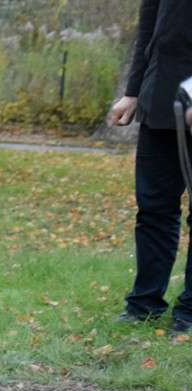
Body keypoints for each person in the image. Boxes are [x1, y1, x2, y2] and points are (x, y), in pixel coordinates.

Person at [109, 0, 192, 336]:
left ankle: (189, 312)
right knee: (154, 208)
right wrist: (132, 91)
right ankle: (144, 304)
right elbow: (150, 31)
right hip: (160, 98)